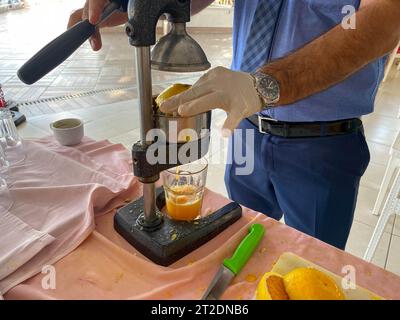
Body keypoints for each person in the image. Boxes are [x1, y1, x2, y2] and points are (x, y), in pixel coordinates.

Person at [69, 0, 400, 250]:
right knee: (241, 243)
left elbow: (387, 17)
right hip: (246, 127)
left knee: (310, 262)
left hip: (320, 142)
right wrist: (131, 5)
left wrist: (264, 86)